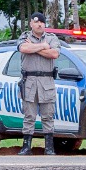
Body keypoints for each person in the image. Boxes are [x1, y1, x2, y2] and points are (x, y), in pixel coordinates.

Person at [16, 13, 62, 155]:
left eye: (42, 22)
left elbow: (54, 54)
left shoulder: (52, 38)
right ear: (31, 23)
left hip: (46, 81)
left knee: (48, 115)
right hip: (29, 81)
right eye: (36, 22)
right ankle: (26, 147)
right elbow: (24, 49)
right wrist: (43, 46)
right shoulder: (24, 37)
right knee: (29, 115)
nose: (39, 24)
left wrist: (35, 47)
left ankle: (49, 147)